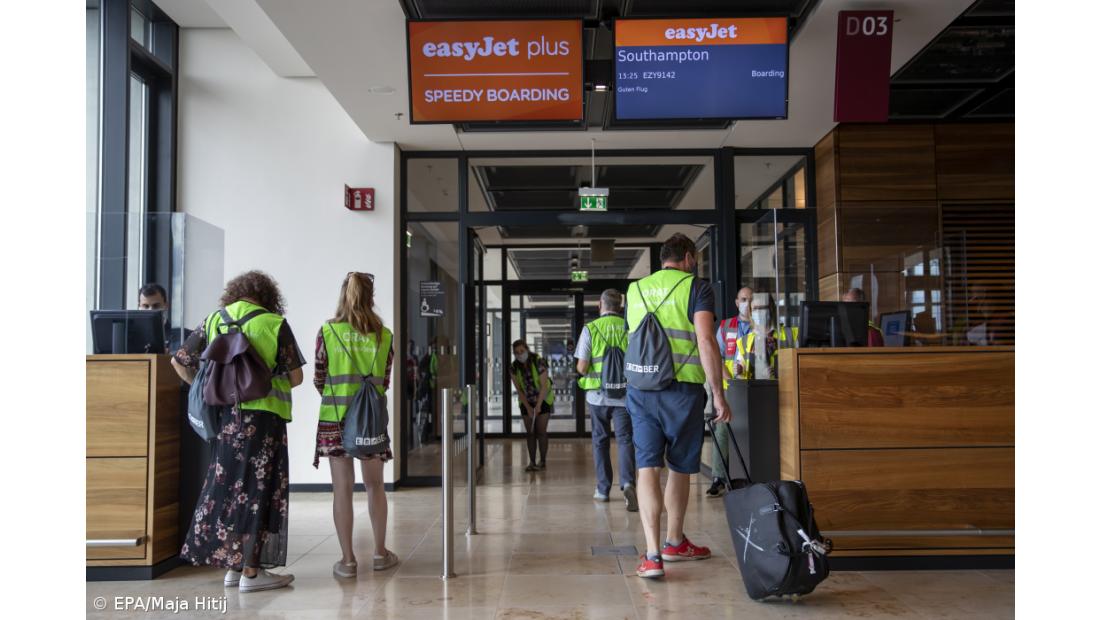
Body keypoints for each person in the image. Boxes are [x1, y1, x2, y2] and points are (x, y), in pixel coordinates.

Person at [171, 270, 304, 593]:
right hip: (265, 422)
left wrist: (204, 387)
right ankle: (252, 573)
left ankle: (233, 568)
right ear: (268, 296)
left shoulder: (214, 320)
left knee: (230, 490)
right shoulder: (273, 323)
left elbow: (180, 361)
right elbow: (296, 377)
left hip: (227, 421)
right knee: (258, 493)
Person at [624, 233, 730, 579]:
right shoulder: (696, 288)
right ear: (687, 258)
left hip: (641, 389)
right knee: (680, 467)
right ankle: (674, 542)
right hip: (682, 390)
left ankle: (653, 555)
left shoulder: (635, 290)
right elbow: (705, 339)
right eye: (694, 259)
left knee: (647, 467)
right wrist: (718, 393)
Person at [313, 272, 399, 577]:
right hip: (370, 421)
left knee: (342, 489)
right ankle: (380, 553)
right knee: (375, 485)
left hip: (335, 419)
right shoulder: (384, 335)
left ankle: (348, 561)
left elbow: (319, 377)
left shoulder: (327, 331)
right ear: (371, 297)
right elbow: (384, 381)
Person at [575, 288, 637, 511]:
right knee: (625, 440)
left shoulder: (590, 329)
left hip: (598, 397)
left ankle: (603, 490)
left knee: (600, 441)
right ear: (620, 307)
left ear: (600, 305)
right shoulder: (629, 328)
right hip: (624, 396)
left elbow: (582, 367)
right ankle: (628, 483)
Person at [706, 286, 754, 498]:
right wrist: (729, 380)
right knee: (723, 431)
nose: (747, 304)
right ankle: (718, 477)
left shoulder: (762, 326)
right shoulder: (726, 327)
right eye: (743, 299)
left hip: (755, 387)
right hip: (729, 387)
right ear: (736, 302)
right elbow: (716, 356)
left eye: (750, 300)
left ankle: (750, 474)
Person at [510, 339, 553, 472]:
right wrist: (528, 408)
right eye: (516, 352)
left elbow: (544, 386)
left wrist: (538, 405)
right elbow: (519, 390)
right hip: (526, 400)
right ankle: (532, 462)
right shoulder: (514, 367)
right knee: (530, 432)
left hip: (543, 399)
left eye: (522, 351)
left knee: (541, 431)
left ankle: (542, 461)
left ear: (527, 350)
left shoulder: (539, 361)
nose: (520, 354)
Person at [138, 282, 189, 352]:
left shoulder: (184, 336)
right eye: (146, 306)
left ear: (166, 305)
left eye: (156, 306)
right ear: (139, 307)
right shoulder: (129, 338)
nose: (151, 310)